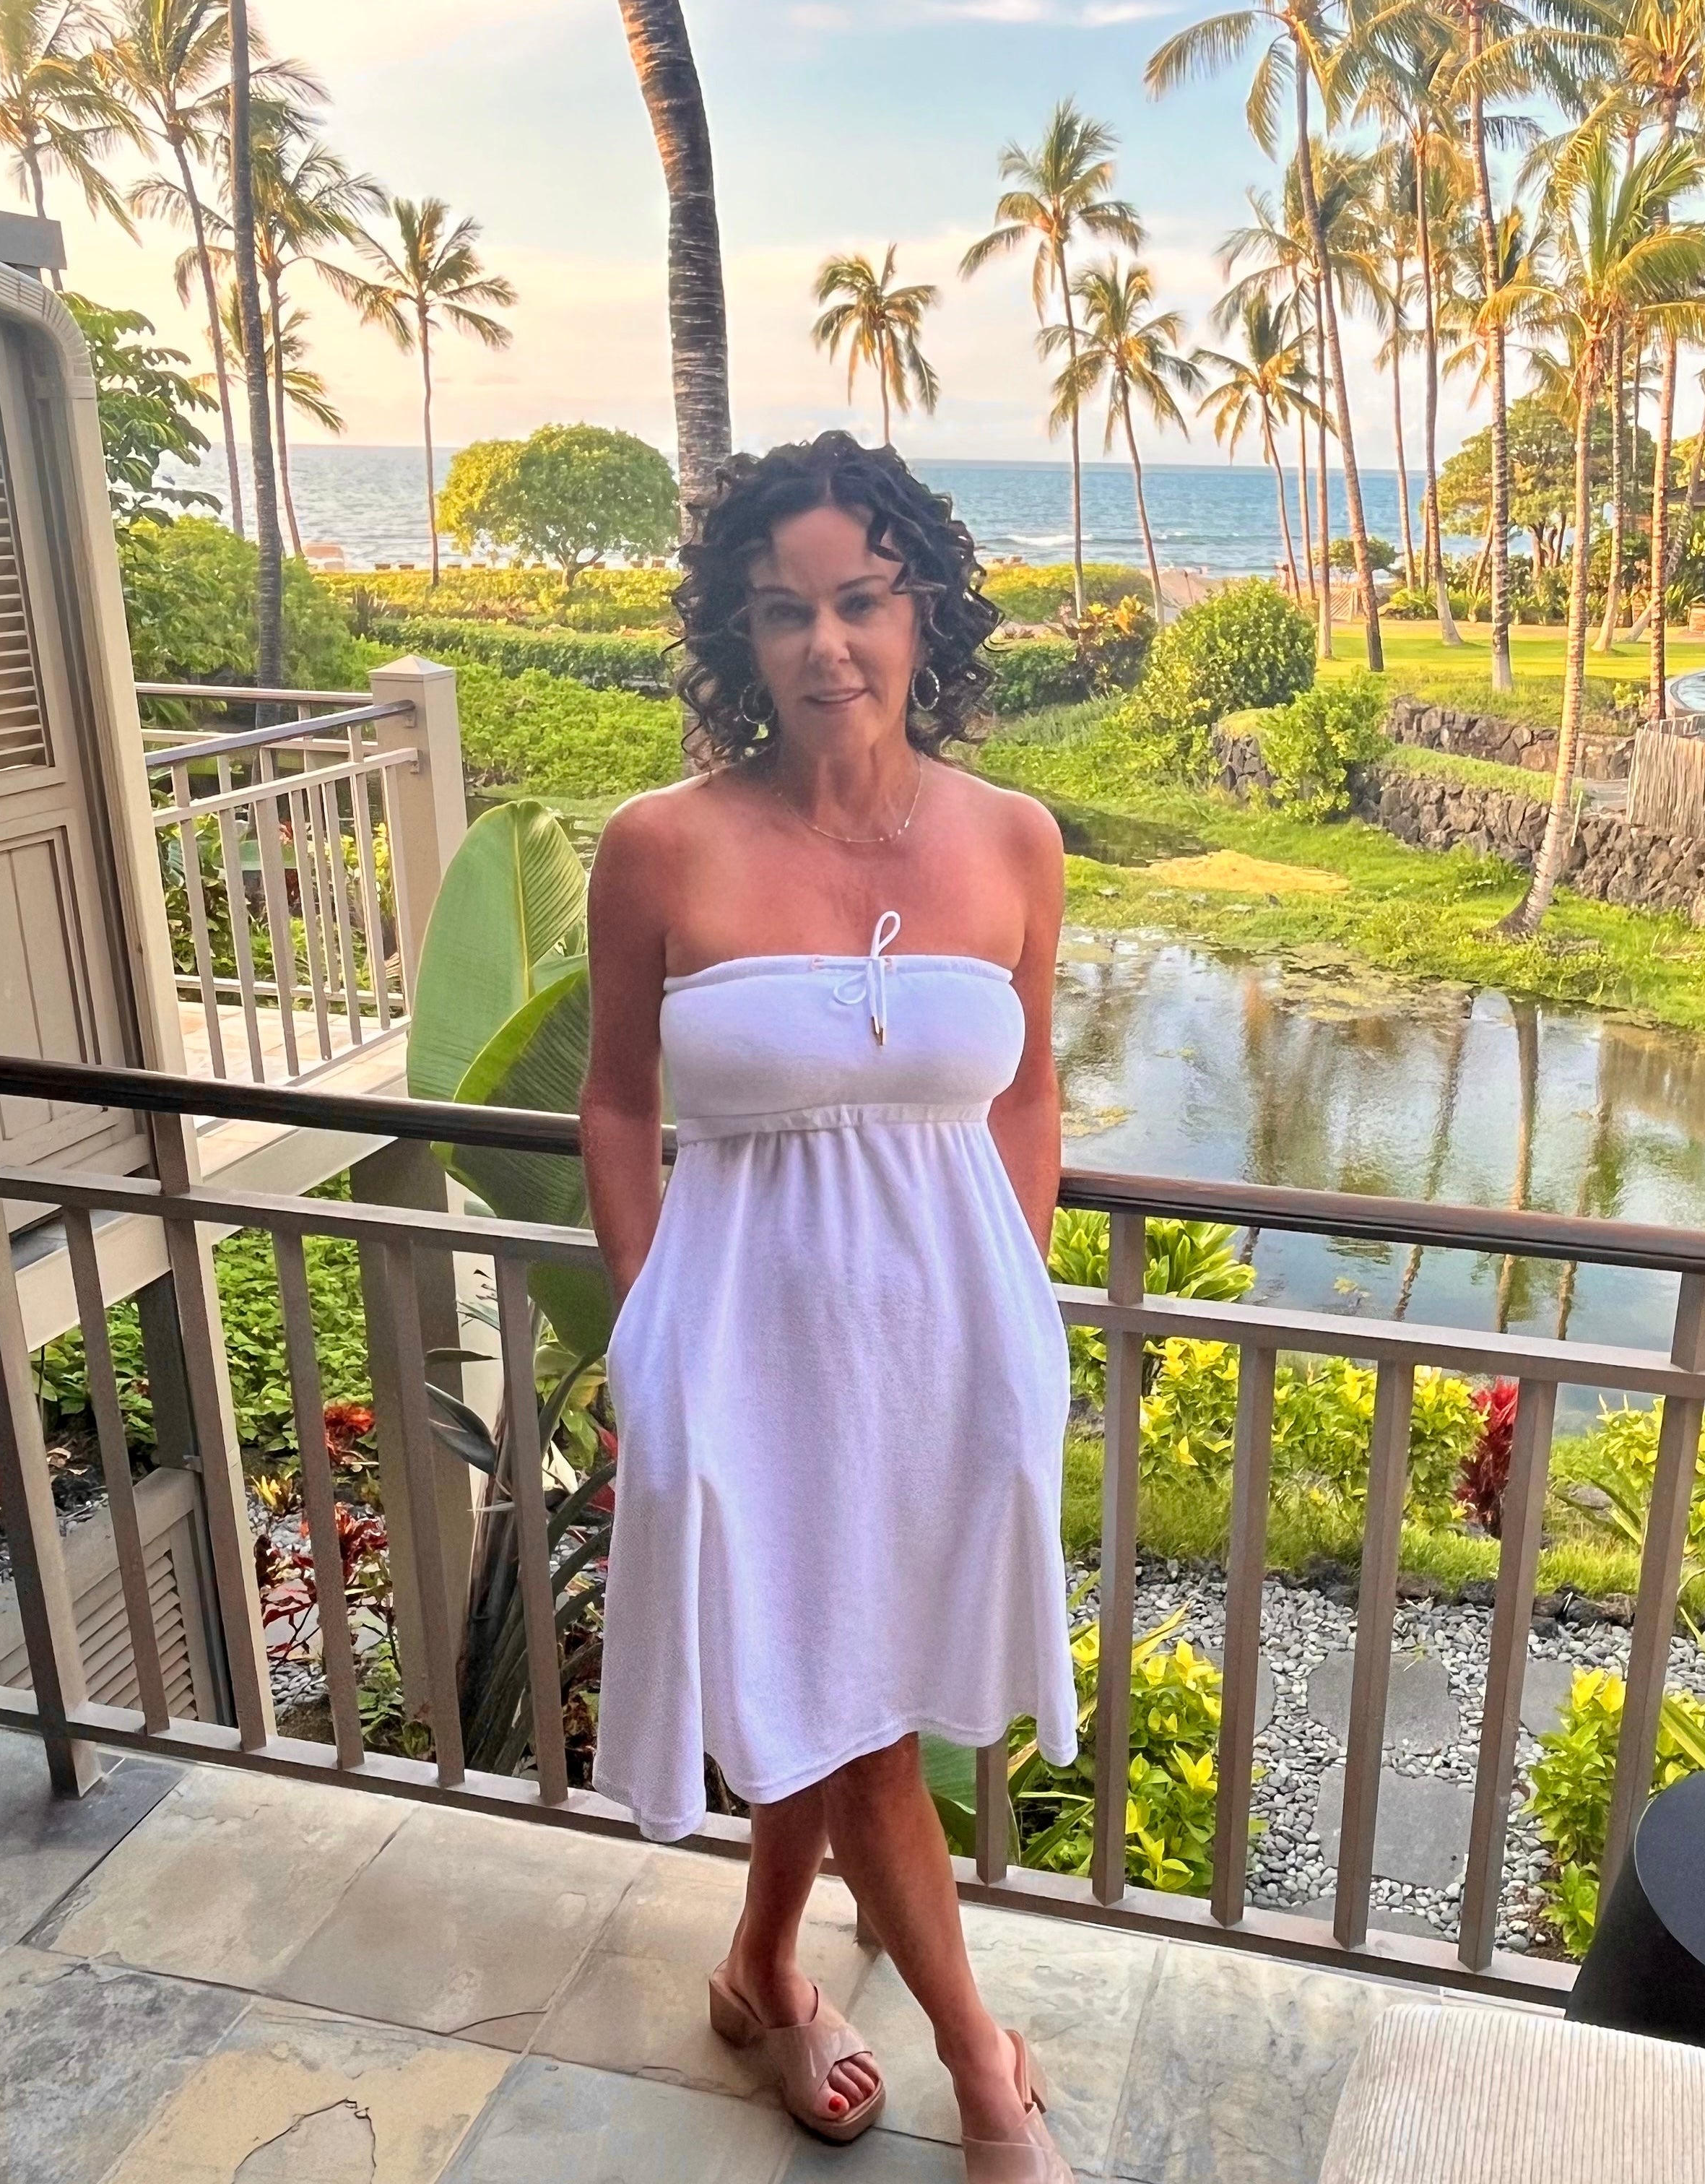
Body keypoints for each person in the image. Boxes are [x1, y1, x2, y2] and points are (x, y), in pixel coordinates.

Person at [580, 430, 1078, 2184]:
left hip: (946, 1351)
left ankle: (757, 1970)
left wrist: (1012, 1301)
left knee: (839, 1679)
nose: (827, 645)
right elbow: (619, 1107)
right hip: (751, 1347)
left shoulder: (1017, 841)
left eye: (859, 599)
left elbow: (1025, 1093)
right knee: (860, 1718)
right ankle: (984, 2074)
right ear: (744, 635)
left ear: (922, 606)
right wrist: (651, 1332)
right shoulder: (660, 846)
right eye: (784, 610)